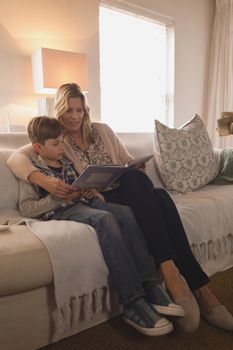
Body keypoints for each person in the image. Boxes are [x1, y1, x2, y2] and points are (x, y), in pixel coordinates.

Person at [8, 84, 233, 333]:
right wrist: (41, 179)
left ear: (85, 110)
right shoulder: (57, 141)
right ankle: (195, 285)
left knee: (157, 194)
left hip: (129, 191)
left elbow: (125, 161)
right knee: (150, 192)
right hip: (101, 198)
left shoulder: (102, 130)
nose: (74, 115)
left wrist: (135, 167)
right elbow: (15, 157)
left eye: (79, 110)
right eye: (69, 110)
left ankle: (178, 275)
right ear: (59, 111)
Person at [18, 116, 186, 337]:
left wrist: (88, 190)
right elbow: (27, 208)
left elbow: (82, 187)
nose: (62, 147)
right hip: (63, 211)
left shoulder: (66, 162)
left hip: (84, 201)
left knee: (125, 212)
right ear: (38, 147)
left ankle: (151, 284)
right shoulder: (34, 171)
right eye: (56, 143)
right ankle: (132, 301)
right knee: (104, 219)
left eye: (62, 141)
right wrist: (59, 197)